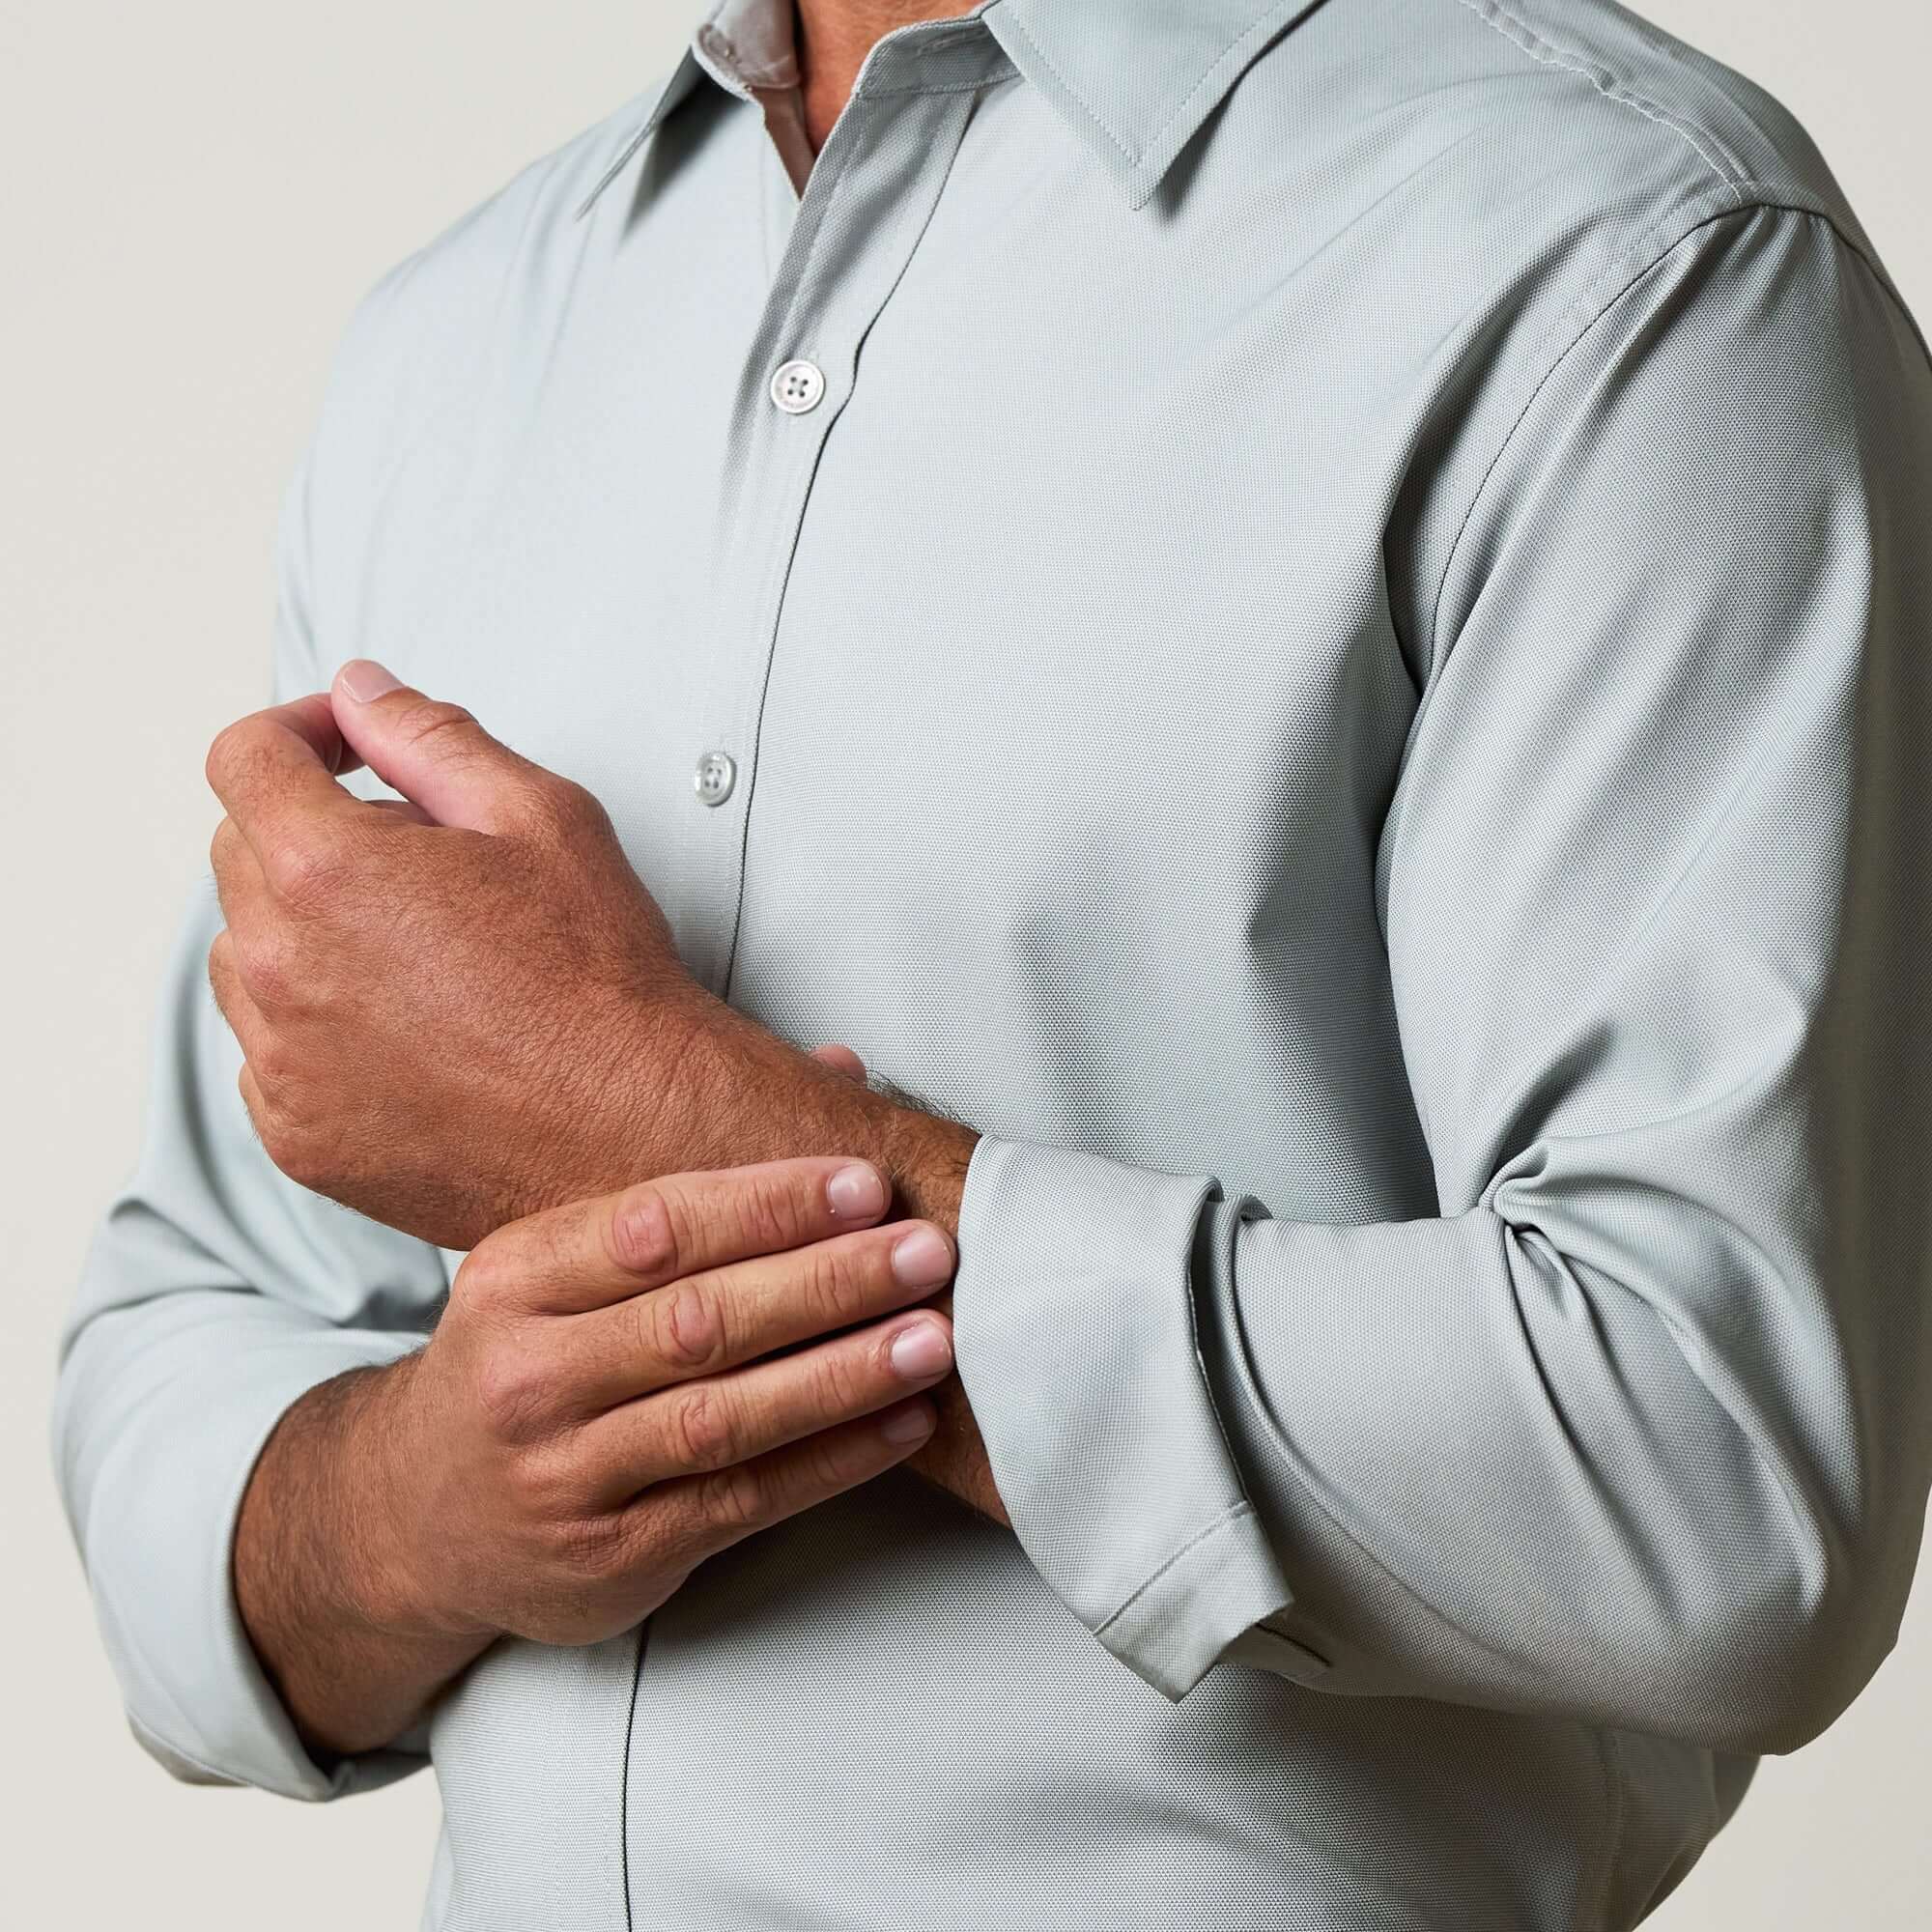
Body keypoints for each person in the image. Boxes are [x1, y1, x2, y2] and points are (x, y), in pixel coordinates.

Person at [53, 0, 1932, 1926]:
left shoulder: (1624, 252)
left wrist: (643, 1124)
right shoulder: (453, 341)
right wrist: (413, 1510)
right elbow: (185, 1379)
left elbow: (1723, 1471)